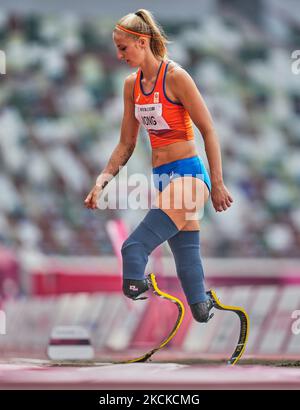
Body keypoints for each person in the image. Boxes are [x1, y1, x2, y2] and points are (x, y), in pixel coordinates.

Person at [84, 9, 233, 322]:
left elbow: (208, 129)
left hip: (190, 176)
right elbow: (126, 144)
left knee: (133, 249)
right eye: (116, 48)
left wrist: (217, 183)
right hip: (162, 178)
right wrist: (101, 182)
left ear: (142, 42)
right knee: (187, 262)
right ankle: (203, 306)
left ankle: (139, 284)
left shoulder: (176, 77)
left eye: (123, 47)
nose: (119, 54)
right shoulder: (131, 86)